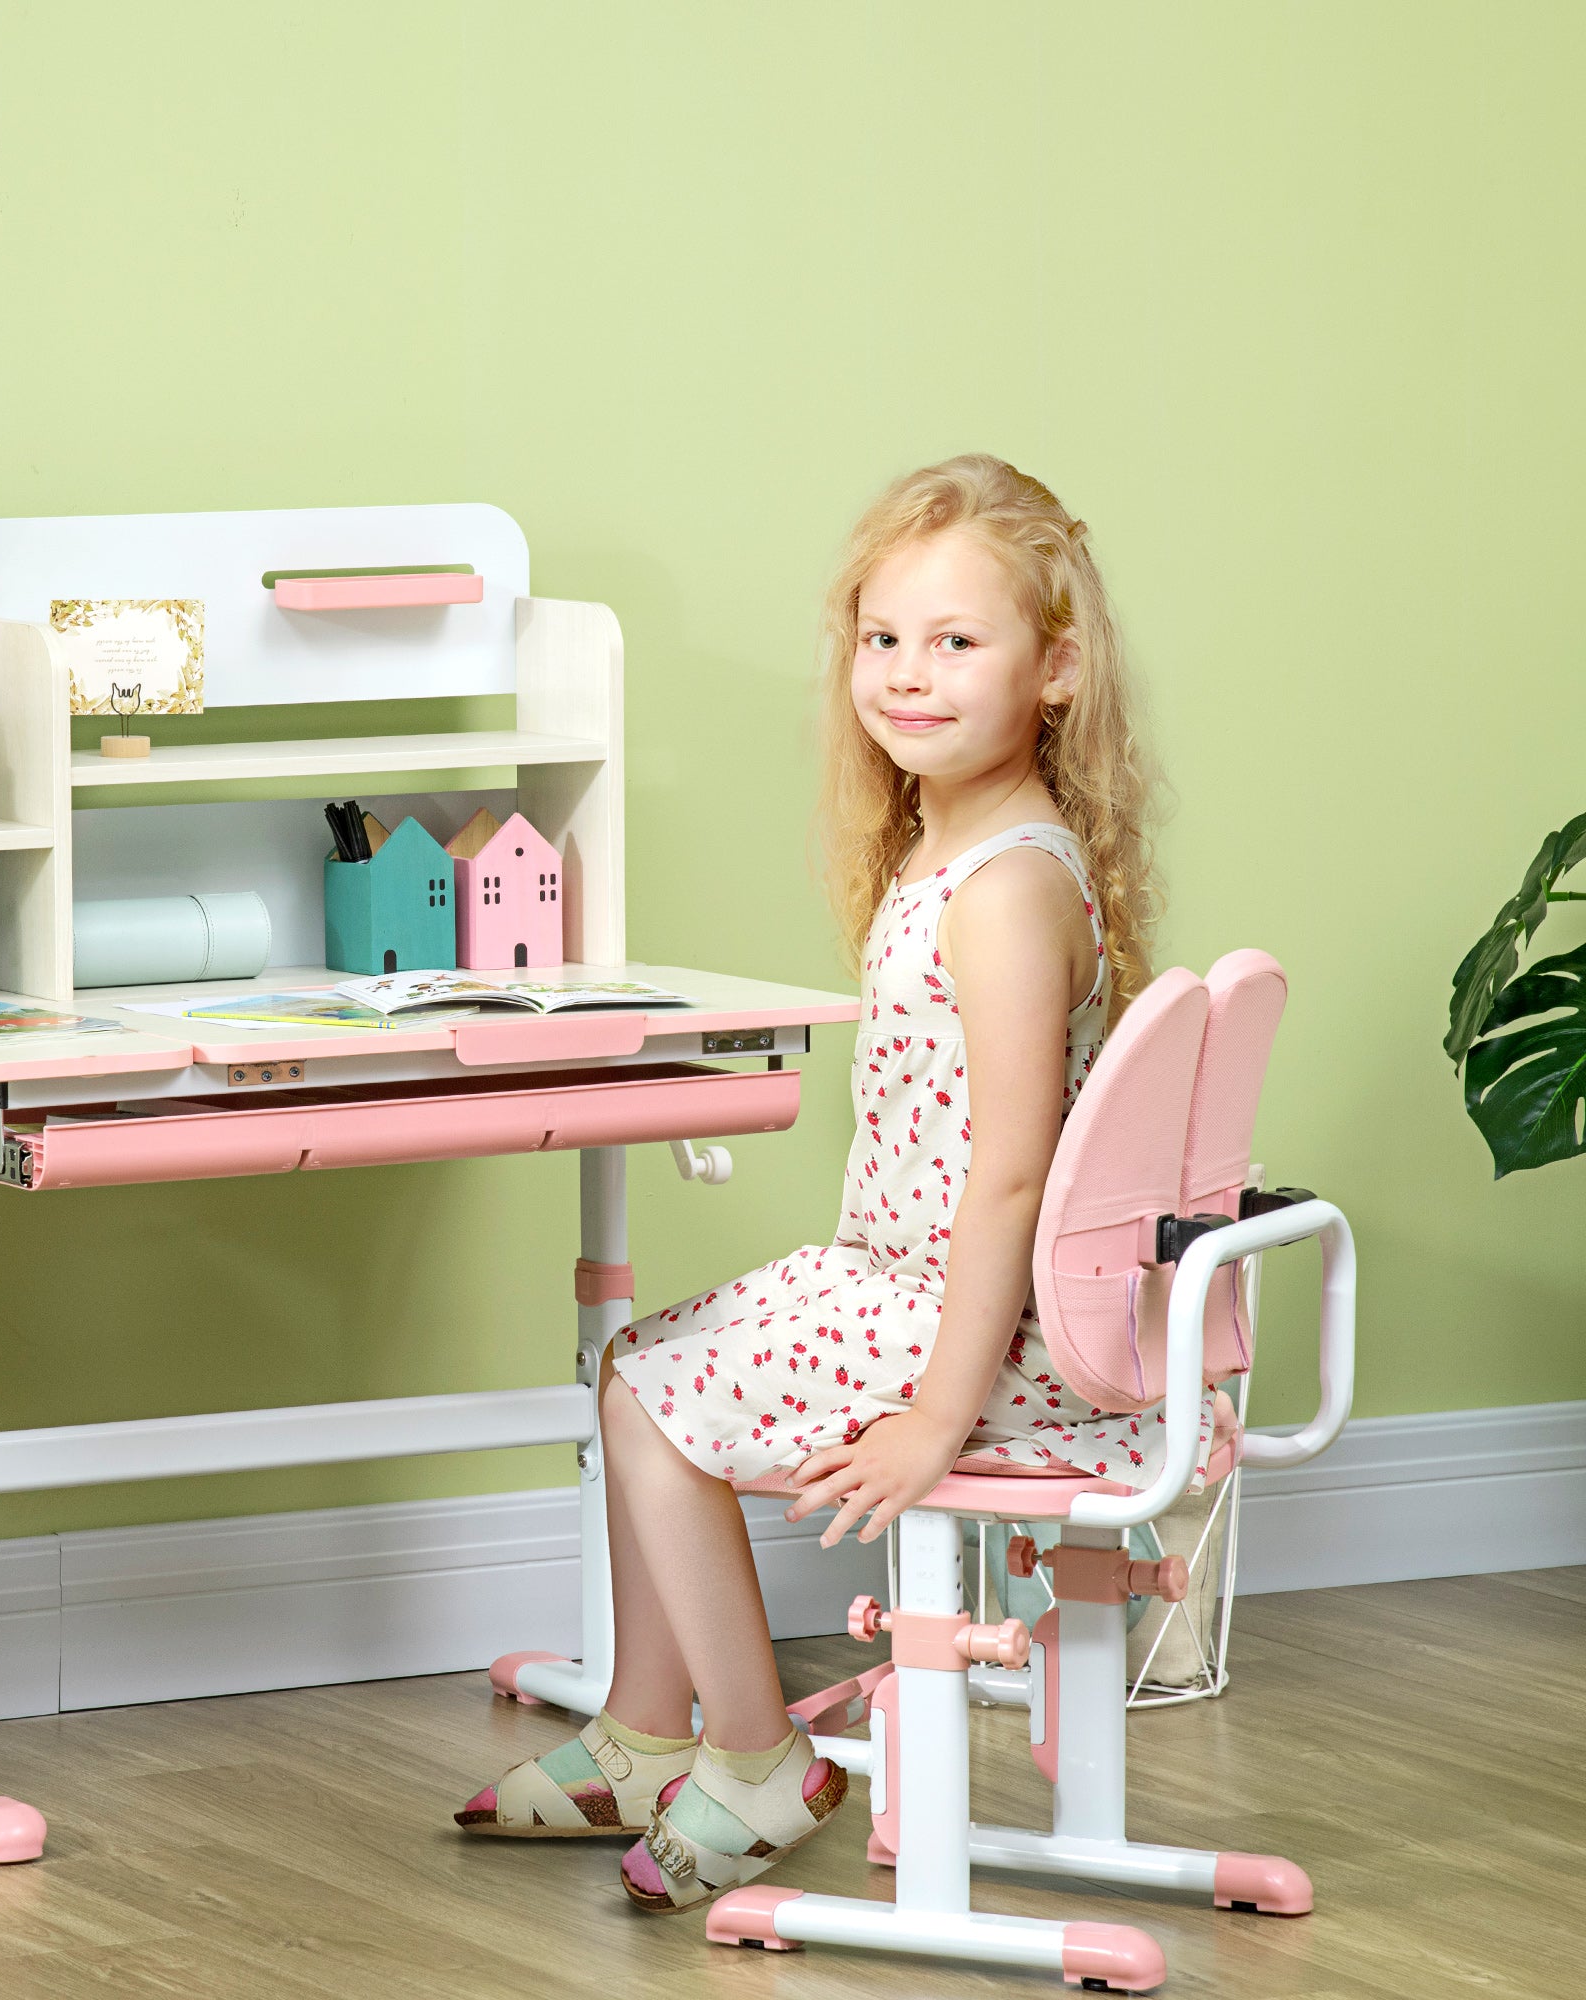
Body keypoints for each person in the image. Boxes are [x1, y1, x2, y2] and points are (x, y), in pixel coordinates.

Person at [458, 453, 1190, 1916]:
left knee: (658, 1409)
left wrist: (934, 1415)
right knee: (635, 1366)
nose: (909, 676)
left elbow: (1009, 1176)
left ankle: (753, 1755)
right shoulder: (956, 844)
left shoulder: (1006, 888)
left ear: (1055, 669)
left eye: (956, 643)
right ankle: (642, 1729)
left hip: (976, 1326)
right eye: (883, 639)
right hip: (915, 1284)